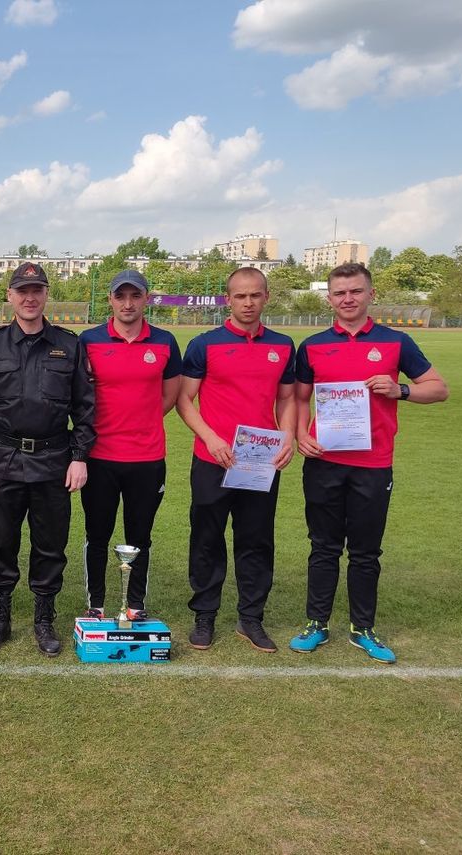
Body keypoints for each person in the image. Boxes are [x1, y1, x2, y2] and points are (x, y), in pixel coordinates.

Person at [290, 263, 447, 663]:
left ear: (370, 294)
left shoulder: (396, 343)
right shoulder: (312, 345)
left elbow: (438, 388)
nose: (347, 299)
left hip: (374, 463)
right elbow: (300, 398)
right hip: (324, 460)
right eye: (340, 293)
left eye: (355, 291)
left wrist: (401, 389)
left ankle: (363, 629)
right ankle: (317, 624)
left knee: (365, 551)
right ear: (329, 298)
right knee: (323, 547)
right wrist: (300, 434)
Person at [0, 262, 95, 656]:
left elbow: (85, 407)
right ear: (10, 296)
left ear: (46, 294)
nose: (29, 297)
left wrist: (79, 457)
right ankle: (0, 619)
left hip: (54, 460)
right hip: (3, 458)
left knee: (50, 546)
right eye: (22, 290)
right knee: (2, 544)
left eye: (37, 289)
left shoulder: (69, 345)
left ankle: (44, 619)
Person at [177, 267, 296, 653]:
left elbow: (287, 398)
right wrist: (210, 438)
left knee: (256, 541)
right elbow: (183, 399)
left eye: (255, 295)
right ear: (229, 299)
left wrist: (289, 436)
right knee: (207, 540)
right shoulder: (204, 344)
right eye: (240, 296)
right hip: (213, 458)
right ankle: (205, 617)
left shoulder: (282, 345)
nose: (248, 303)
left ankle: (251, 619)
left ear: (266, 297)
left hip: (260, 460)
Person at [78, 270, 181, 619]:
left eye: (134, 296)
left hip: (147, 458)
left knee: (140, 537)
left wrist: (141, 421)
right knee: (97, 534)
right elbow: (80, 395)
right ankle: (95, 605)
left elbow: (169, 395)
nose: (127, 303)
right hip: (99, 456)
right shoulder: (89, 340)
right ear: (110, 299)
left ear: (146, 299)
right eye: (120, 296)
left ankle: (134, 605)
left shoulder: (165, 342)